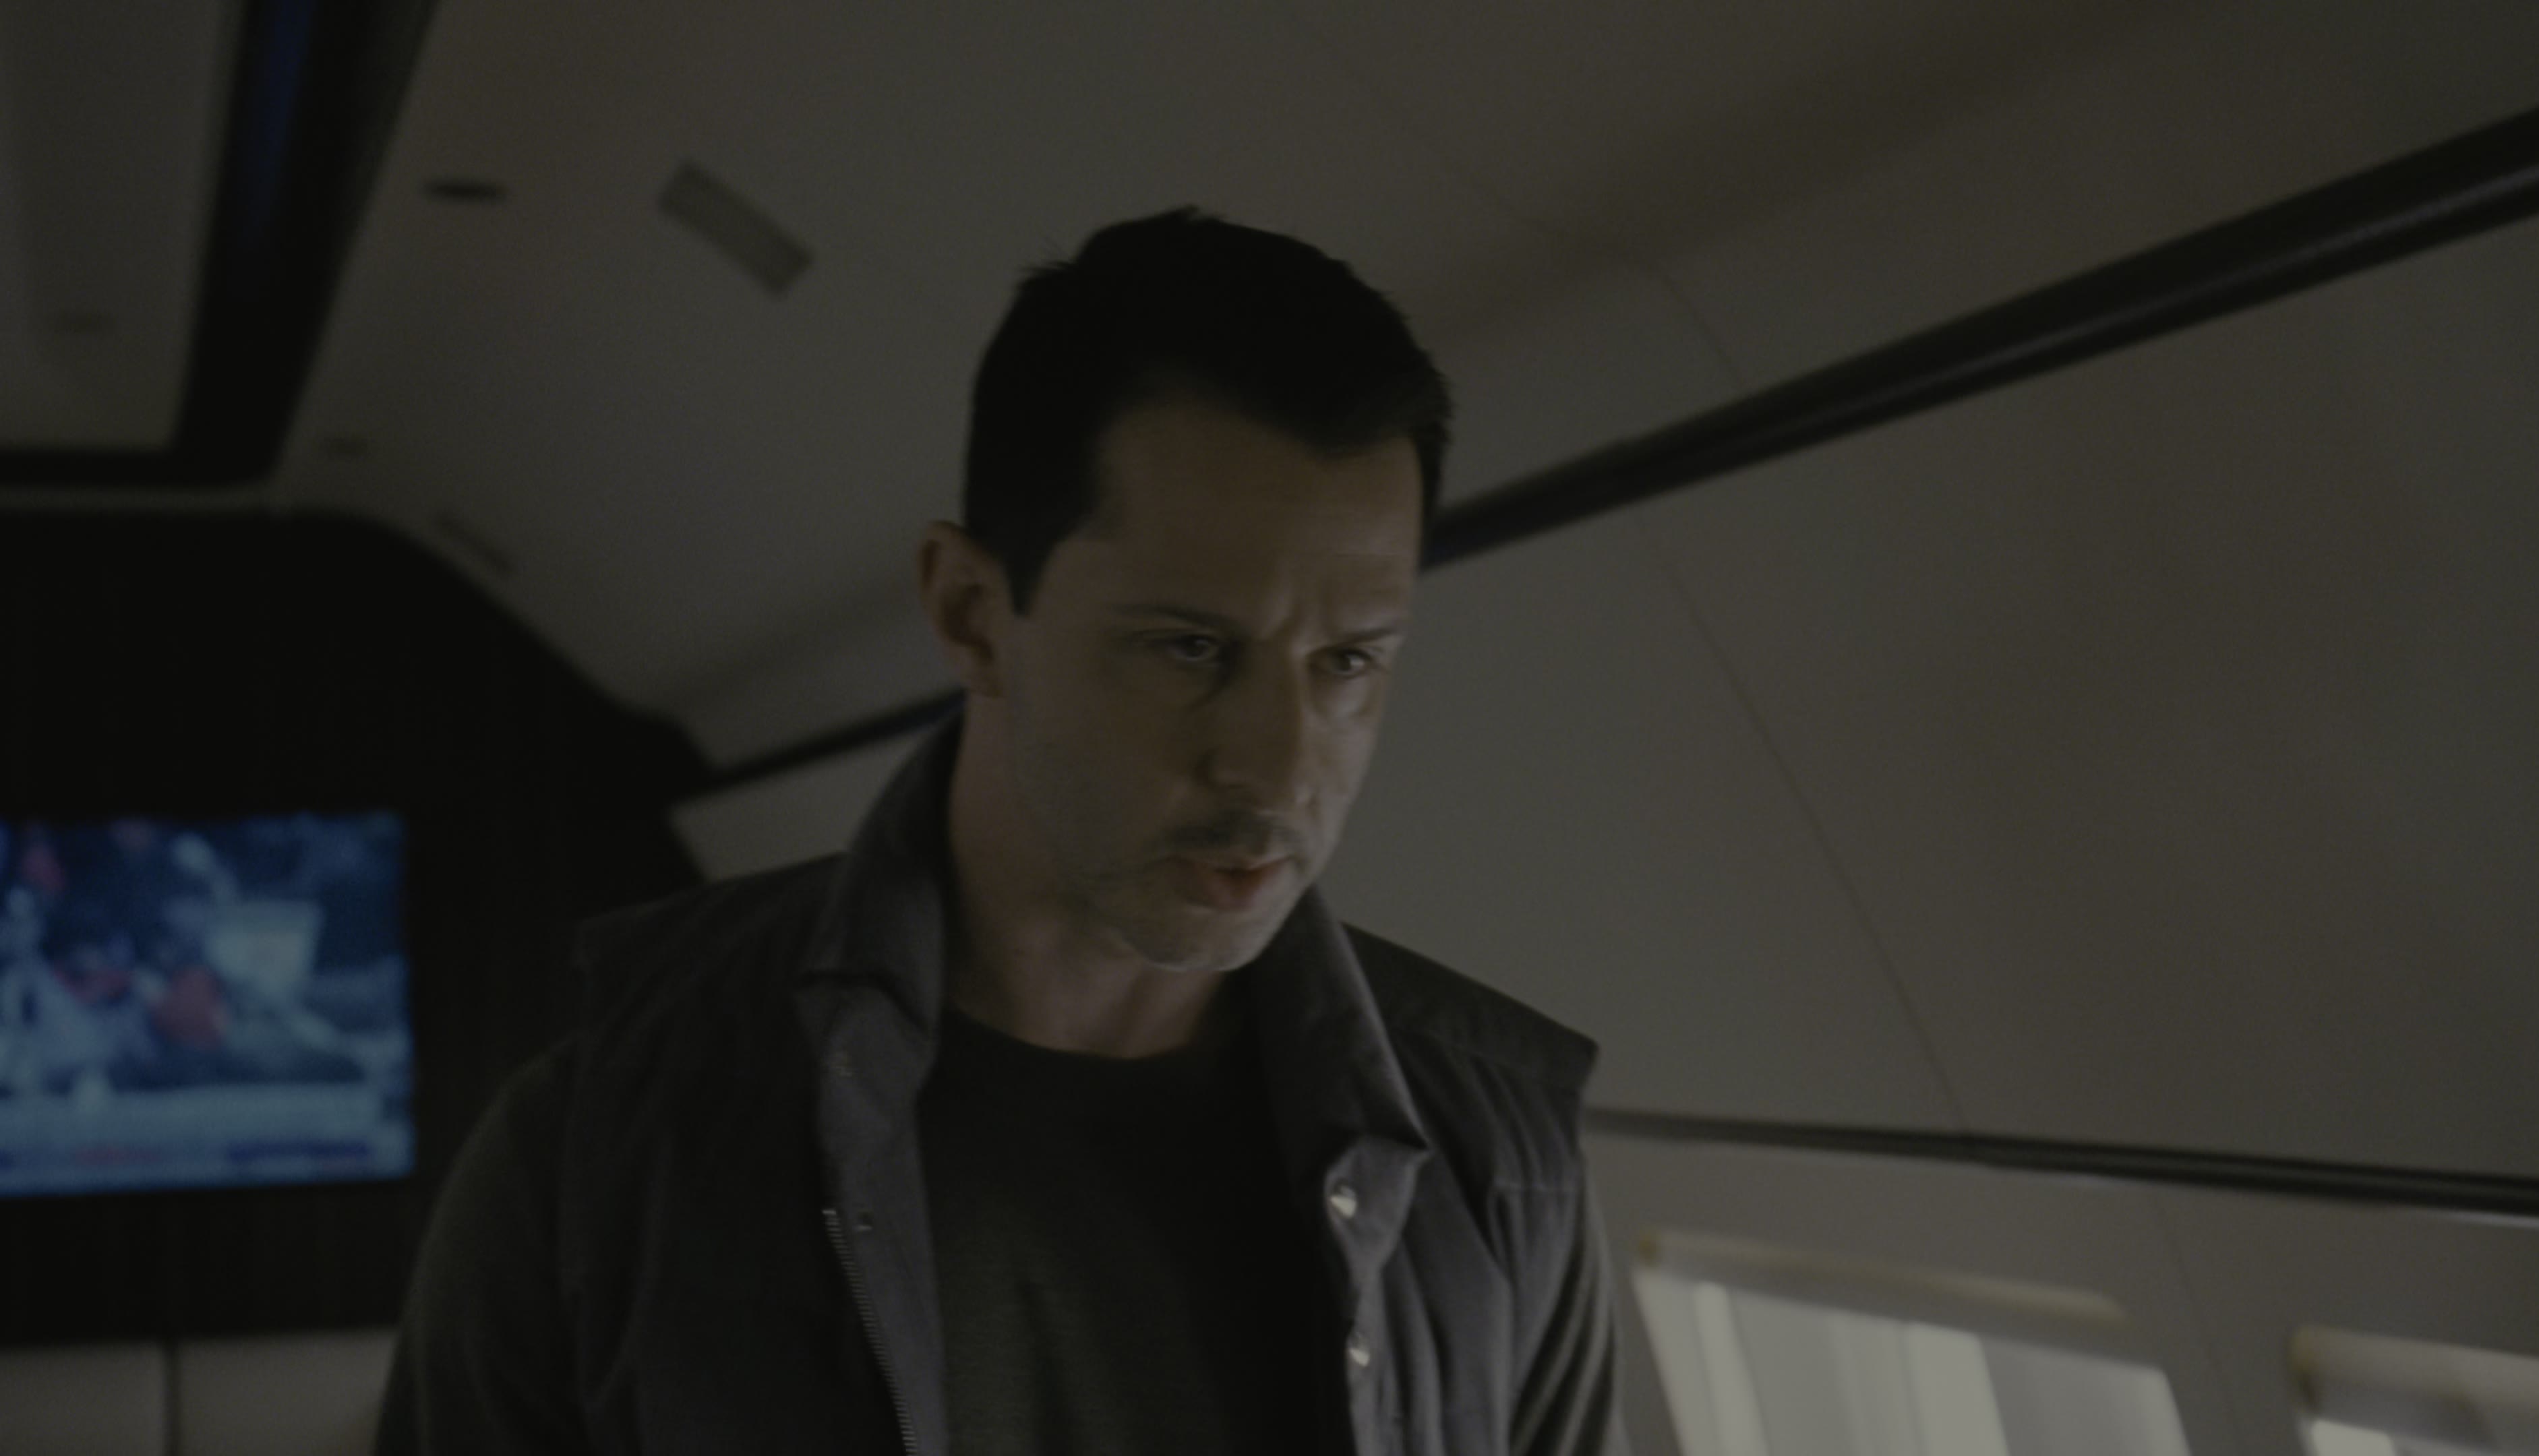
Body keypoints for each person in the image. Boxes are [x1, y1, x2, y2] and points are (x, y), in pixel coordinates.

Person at [379, 208, 1627, 1455]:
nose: (1280, 765)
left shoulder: (1499, 1158)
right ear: (973, 613)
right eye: (1190, 648)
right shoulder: (603, 1145)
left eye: (1349, 661)